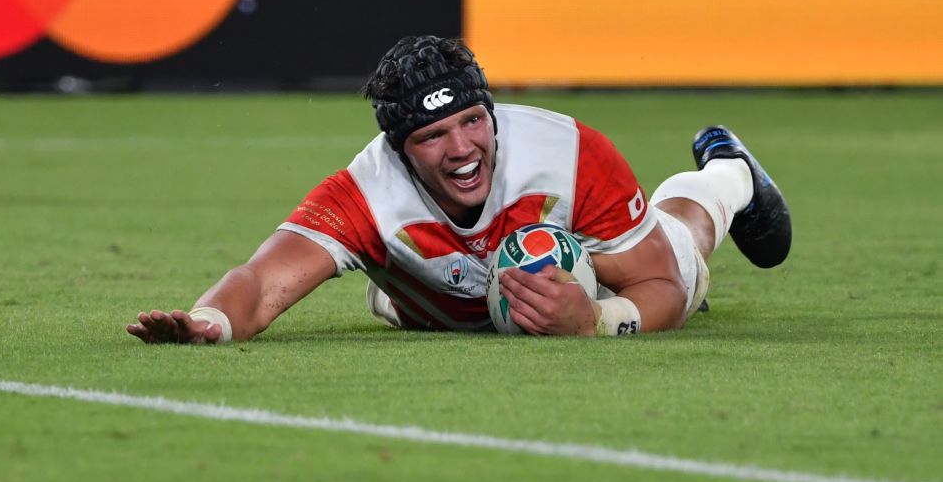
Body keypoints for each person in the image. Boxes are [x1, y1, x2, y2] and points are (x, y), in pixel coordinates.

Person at [126, 35, 791, 343]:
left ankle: (727, 174)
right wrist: (207, 321)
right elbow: (259, 283)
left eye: (474, 120)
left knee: (687, 259)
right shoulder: (368, 192)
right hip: (452, 298)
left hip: (602, 279)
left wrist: (596, 321)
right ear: (399, 147)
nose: (464, 147)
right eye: (434, 135)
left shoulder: (568, 153)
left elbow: (661, 291)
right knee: (407, 302)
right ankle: (410, 294)